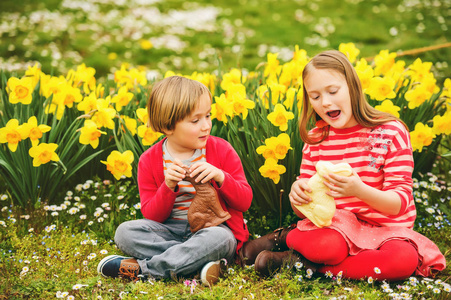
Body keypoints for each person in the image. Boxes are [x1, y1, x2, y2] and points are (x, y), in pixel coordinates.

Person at [241, 50, 446, 281]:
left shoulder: (390, 132)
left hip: (388, 231)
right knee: (328, 247)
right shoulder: (317, 138)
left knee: (401, 261)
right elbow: (306, 209)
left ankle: (301, 263)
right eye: (315, 96)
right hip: (336, 228)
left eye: (333, 91)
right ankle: (285, 238)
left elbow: (398, 204)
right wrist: (297, 197)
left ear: (353, 86)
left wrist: (358, 190)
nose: (325, 102)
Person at [97, 76, 253, 285]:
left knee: (221, 240)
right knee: (125, 232)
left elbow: (244, 202)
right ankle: (197, 263)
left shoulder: (221, 150)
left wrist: (220, 176)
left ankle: (144, 270)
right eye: (195, 120)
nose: (206, 125)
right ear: (169, 126)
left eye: (208, 116)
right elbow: (152, 215)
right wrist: (168, 186)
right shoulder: (149, 160)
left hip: (212, 229)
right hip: (169, 231)